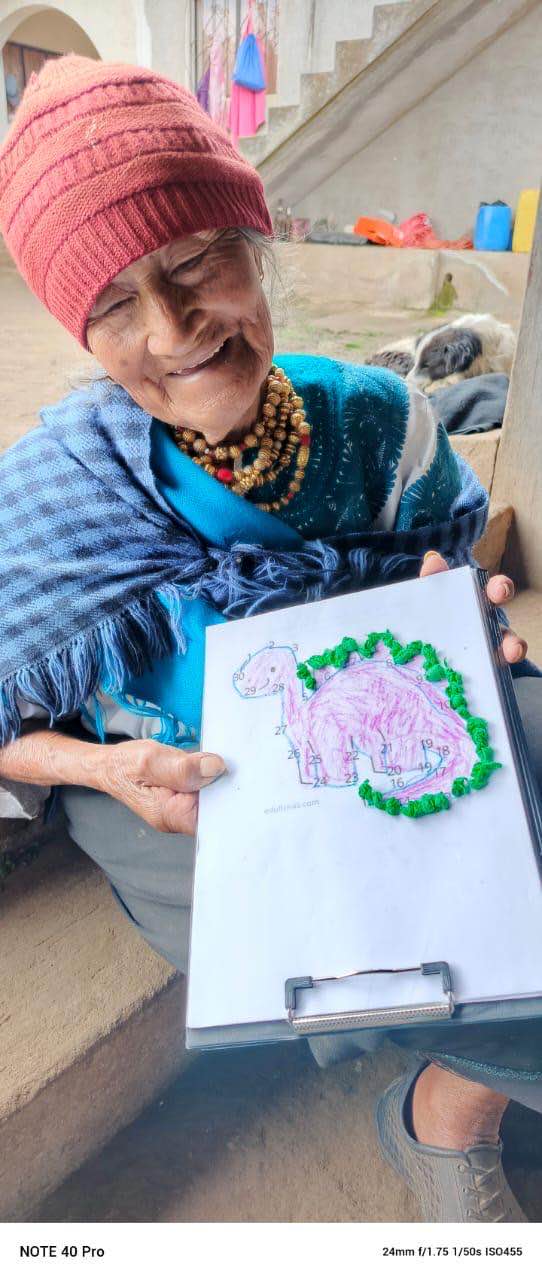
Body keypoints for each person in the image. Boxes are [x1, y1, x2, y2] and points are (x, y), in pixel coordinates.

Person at [0, 55, 540, 1225]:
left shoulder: (377, 421)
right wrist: (100, 766)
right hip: (184, 787)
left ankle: (451, 1097)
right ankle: (450, 1110)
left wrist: (460, 626)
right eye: (113, 304)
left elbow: (443, 580)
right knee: (361, 930)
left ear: (256, 241)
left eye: (195, 261)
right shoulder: (49, 497)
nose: (172, 328)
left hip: (374, 724)